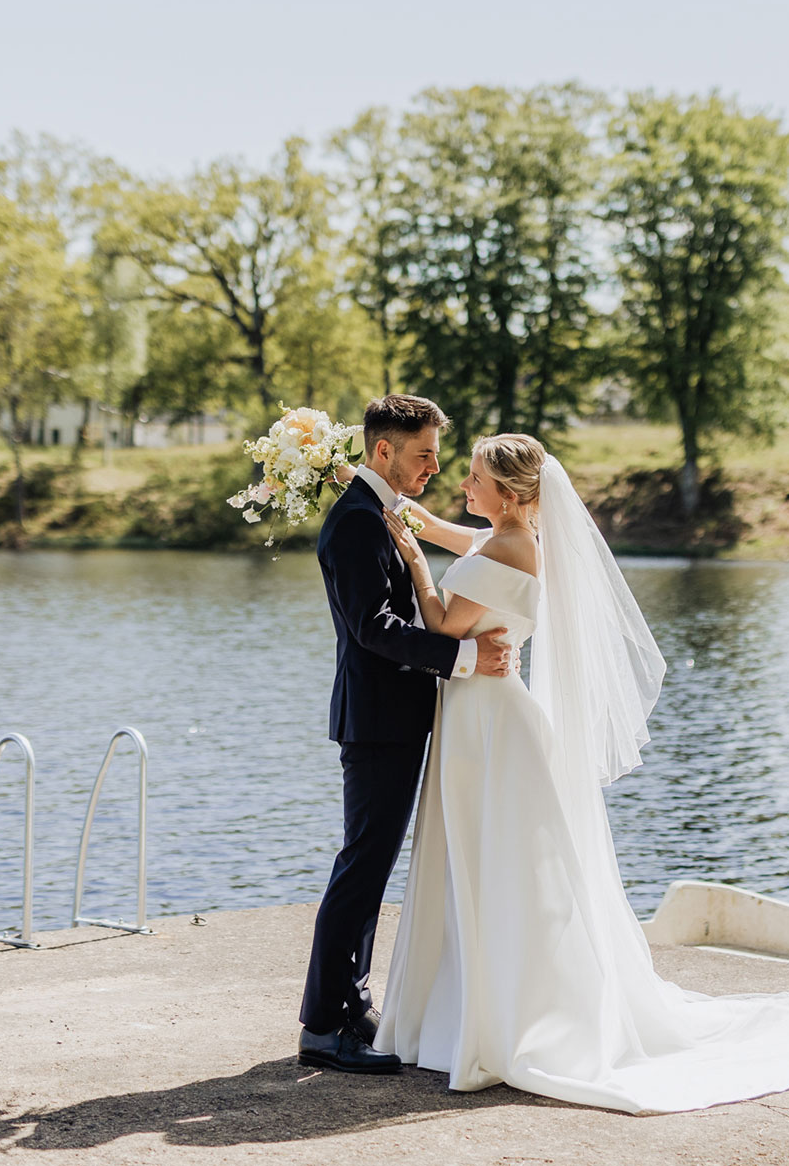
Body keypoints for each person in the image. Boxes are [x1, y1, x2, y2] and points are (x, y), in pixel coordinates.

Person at [372, 432, 789, 1114]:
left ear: (507, 496)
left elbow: (445, 626)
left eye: (473, 479)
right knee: (490, 862)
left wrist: (414, 561)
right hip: (488, 718)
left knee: (494, 863)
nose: (462, 487)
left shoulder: (506, 549)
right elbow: (460, 538)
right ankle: (475, 1004)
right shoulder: (511, 540)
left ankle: (504, 1014)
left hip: (489, 727)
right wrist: (393, 505)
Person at [298, 394, 515, 1074]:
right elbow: (373, 629)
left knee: (373, 865)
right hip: (377, 721)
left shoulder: (378, 511)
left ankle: (353, 1005)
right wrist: (463, 659)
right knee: (362, 865)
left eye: (437, 457)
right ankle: (323, 1027)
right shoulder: (356, 523)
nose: (431, 468)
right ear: (383, 450)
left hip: (394, 718)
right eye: (422, 455)